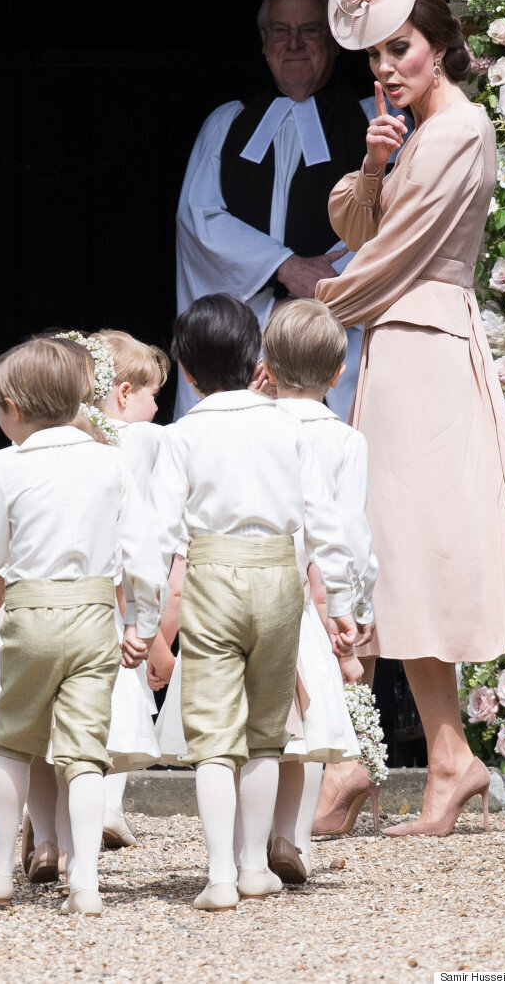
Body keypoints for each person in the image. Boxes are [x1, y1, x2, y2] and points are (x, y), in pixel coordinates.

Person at [315, 0, 505, 836]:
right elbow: (363, 225)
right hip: (401, 350)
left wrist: (307, 319)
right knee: (388, 552)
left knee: (400, 548)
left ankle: (388, 759)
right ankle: (438, 757)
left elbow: (398, 254)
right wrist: (374, 158)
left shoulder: (458, 131)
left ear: (441, 45)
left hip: (425, 346)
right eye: (376, 54)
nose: (386, 66)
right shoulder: (416, 135)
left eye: (400, 47)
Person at [151, 293, 357, 911]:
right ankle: (252, 867)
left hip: (212, 573)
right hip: (278, 579)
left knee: (214, 735)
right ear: (256, 359)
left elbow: (156, 533)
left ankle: (218, 874)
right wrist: (342, 600)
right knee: (267, 733)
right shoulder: (286, 426)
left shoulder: (182, 434)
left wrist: (141, 615)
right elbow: (324, 519)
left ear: (185, 370)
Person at [0, 337, 165, 916]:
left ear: (14, 408)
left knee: (16, 743)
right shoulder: (109, 461)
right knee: (85, 752)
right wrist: (142, 625)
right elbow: (144, 556)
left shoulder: (5, 466)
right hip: (96, 616)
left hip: (30, 615)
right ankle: (87, 884)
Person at [174, 0, 372, 421]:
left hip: (337, 327)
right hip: (251, 326)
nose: (294, 43)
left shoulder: (373, 124)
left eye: (310, 30)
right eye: (281, 31)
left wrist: (322, 286)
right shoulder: (228, 124)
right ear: (264, 43)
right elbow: (198, 220)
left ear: (336, 40)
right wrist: (284, 267)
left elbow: (395, 224)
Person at [255, 299, 377, 878]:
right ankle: (293, 840)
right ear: (338, 373)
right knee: (306, 736)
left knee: (259, 726)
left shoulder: (255, 427)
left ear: (267, 367)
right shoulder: (347, 441)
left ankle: (247, 843)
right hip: (313, 604)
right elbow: (349, 531)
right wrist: (356, 605)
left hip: (253, 584)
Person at [92, 329, 170, 847]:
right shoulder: (141, 439)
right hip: (123, 599)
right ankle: (108, 807)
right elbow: (134, 540)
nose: (158, 408)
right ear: (124, 393)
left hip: (71, 598)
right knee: (124, 700)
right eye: (153, 396)